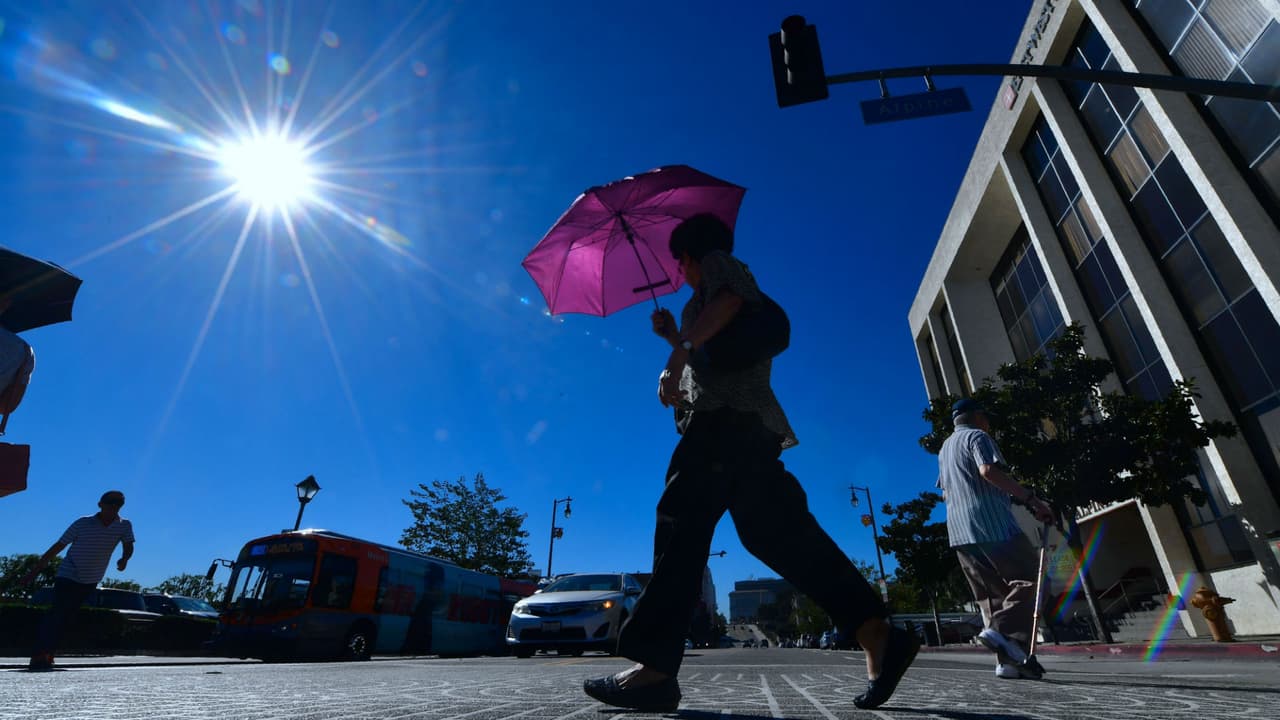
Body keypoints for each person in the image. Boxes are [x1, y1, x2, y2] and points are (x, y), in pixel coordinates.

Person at [581, 214, 918, 712]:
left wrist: (680, 351)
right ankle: (875, 631)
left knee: (680, 529)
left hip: (721, 429)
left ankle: (653, 670)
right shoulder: (705, 302)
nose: (680, 271)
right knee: (776, 533)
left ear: (692, 256)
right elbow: (715, 359)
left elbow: (731, 303)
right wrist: (675, 341)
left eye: (680, 262)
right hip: (747, 430)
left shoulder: (721, 268)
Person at [936, 398, 1053, 680]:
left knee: (993, 597)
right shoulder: (978, 436)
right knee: (1033, 581)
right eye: (987, 417)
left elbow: (943, 490)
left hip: (959, 531)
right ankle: (999, 632)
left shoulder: (944, 449)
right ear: (978, 416)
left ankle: (1008, 663)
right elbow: (988, 471)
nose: (989, 423)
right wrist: (1032, 500)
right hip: (992, 525)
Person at [18, 490, 135, 671]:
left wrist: (124, 559)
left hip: (91, 578)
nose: (113, 508)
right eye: (110, 504)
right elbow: (59, 545)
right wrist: (34, 571)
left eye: (117, 505)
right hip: (68, 573)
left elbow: (128, 545)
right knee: (57, 612)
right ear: (100, 504)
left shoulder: (124, 525)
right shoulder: (82, 523)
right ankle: (39, 654)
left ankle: (49, 652)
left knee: (66, 617)